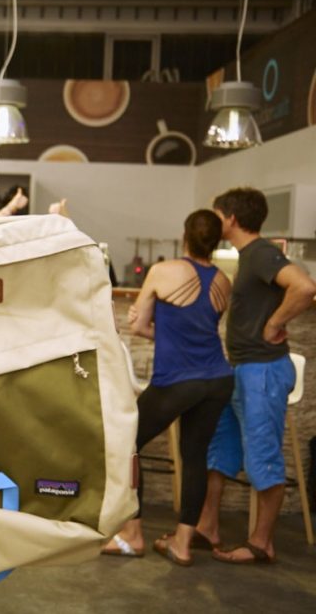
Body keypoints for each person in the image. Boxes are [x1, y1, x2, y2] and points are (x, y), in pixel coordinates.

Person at [101, 210, 234, 566]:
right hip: (218, 380)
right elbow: (199, 332)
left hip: (178, 380)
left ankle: (131, 535)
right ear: (217, 241)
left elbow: (141, 327)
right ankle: (182, 544)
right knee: (194, 459)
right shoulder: (224, 280)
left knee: (126, 443)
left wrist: (146, 322)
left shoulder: (162, 272)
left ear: (185, 236)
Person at [196, 187, 316, 565]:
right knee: (220, 452)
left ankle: (262, 543)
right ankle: (206, 528)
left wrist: (275, 323)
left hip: (263, 371)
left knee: (264, 458)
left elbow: (306, 287)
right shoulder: (248, 256)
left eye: (217, 215)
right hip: (242, 369)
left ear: (230, 219)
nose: (214, 222)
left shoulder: (262, 253)